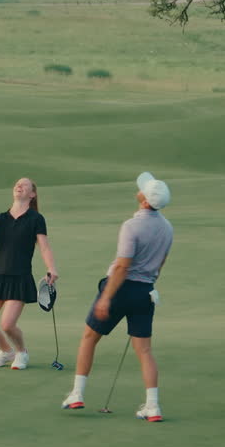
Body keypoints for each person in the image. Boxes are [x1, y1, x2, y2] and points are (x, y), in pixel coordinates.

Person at [61, 172, 173, 421]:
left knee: (89, 338)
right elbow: (160, 263)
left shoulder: (131, 226)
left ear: (145, 200)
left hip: (119, 289)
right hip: (145, 291)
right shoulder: (167, 228)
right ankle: (153, 406)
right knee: (144, 350)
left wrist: (106, 298)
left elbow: (122, 266)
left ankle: (77, 394)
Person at [0, 178, 59, 370]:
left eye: (25, 185)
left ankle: (22, 352)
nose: (19, 186)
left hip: (19, 278)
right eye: (17, 184)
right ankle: (6, 351)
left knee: (7, 324)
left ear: (32, 194)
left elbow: (44, 247)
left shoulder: (36, 219)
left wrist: (51, 268)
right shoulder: (0, 218)